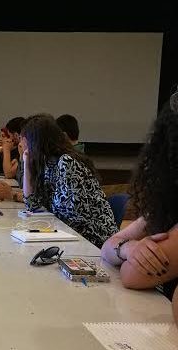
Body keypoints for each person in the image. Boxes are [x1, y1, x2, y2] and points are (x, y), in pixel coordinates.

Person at [101, 99, 178, 305]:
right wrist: (128, 248)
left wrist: (129, 254)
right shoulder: (167, 207)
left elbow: (131, 275)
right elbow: (108, 246)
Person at [22, 114, 117, 248]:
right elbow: (32, 205)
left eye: (25, 140)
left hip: (92, 238)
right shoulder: (48, 164)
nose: (22, 145)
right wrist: (26, 163)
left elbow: (73, 216)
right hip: (68, 234)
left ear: (36, 142)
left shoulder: (67, 162)